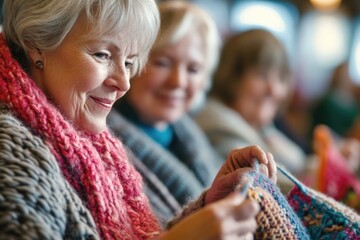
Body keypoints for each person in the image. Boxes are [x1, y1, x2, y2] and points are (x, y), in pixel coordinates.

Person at [0, 0, 278, 239]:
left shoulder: (91, 140)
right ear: (35, 43)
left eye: (130, 62)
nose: (124, 83)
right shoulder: (9, 146)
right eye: (102, 55)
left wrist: (208, 206)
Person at [107, 0, 223, 223]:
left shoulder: (194, 136)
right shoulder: (101, 144)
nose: (178, 81)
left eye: (193, 69)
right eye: (163, 63)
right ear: (130, 64)